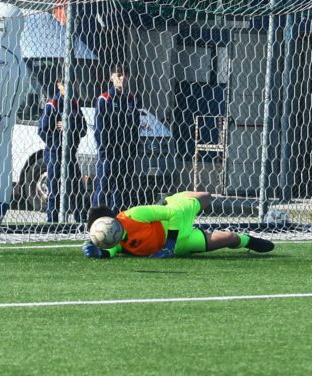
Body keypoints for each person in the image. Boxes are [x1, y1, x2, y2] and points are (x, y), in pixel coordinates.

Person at [82, 191, 274, 259]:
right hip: (184, 242)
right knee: (229, 238)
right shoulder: (114, 239)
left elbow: (173, 214)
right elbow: (111, 251)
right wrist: (100, 253)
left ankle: (176, 196)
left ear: (112, 221)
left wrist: (169, 246)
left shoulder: (135, 215)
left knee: (206, 196)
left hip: (178, 219)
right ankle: (248, 241)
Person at [91, 64, 140, 212]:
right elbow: (99, 130)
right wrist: (105, 152)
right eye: (118, 74)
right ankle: (95, 221)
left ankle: (116, 222)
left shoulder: (131, 99)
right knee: (103, 188)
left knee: (121, 190)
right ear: (111, 77)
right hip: (109, 154)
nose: (122, 78)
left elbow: (135, 127)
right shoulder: (104, 100)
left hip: (125, 154)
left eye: (124, 74)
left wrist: (132, 150)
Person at [38, 77, 86, 222]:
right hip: (55, 154)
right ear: (59, 84)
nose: (69, 87)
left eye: (72, 84)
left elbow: (83, 128)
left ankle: (81, 221)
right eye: (65, 84)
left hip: (70, 154)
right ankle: (52, 222)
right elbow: (42, 130)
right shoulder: (52, 105)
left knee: (77, 189)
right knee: (55, 189)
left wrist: (69, 127)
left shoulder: (74, 105)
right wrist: (56, 142)